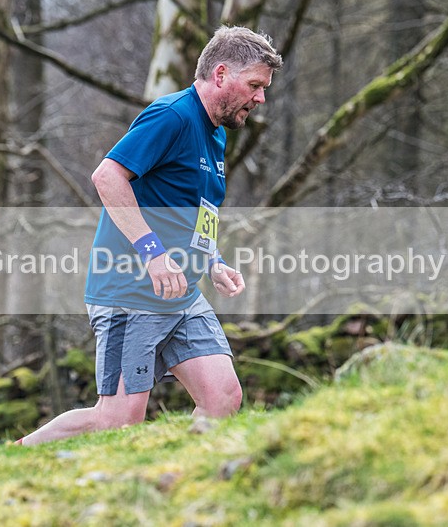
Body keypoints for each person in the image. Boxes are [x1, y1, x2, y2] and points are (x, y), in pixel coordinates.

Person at [17, 26, 282, 445]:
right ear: (220, 74)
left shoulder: (215, 132)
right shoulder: (172, 115)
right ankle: (19, 456)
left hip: (182, 294)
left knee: (223, 398)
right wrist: (153, 252)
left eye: (263, 88)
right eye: (254, 85)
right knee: (118, 419)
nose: (260, 98)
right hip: (130, 290)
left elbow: (197, 211)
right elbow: (107, 177)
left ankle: (185, 483)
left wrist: (211, 261)